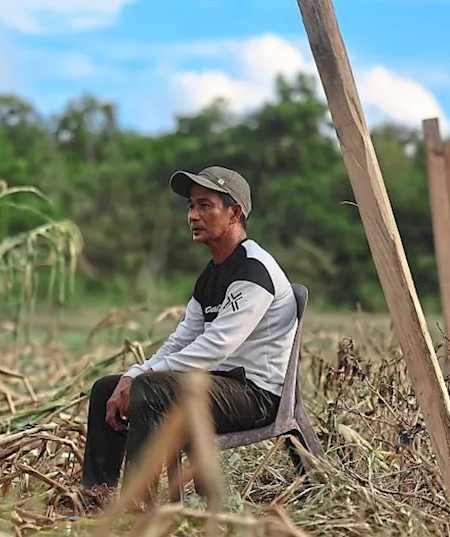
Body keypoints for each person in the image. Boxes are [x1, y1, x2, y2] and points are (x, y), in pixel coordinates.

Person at [80, 165, 298, 493]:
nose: (193, 216)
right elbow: (182, 340)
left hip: (256, 394)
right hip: (216, 384)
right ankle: (97, 494)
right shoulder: (211, 275)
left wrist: (142, 378)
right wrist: (134, 372)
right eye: (191, 206)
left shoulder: (255, 270)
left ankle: (139, 503)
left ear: (235, 212)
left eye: (205, 205)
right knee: (105, 389)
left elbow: (215, 346)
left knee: (149, 390)